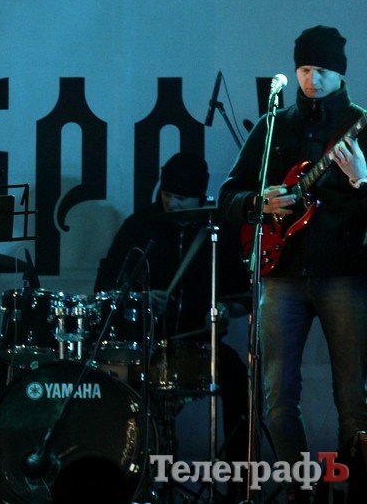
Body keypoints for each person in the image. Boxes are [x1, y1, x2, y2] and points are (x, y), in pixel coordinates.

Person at [219, 25, 367, 503]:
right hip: (280, 275)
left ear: (340, 74)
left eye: (321, 70)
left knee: (354, 400)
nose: (311, 80)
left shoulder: (360, 124)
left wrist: (362, 180)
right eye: (304, 69)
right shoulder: (273, 127)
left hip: (344, 273)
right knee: (277, 398)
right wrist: (255, 203)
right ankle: (301, 490)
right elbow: (227, 195)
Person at [95, 152, 250, 478]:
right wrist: (141, 298)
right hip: (144, 344)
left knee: (237, 375)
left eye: (181, 198)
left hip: (200, 345)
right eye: (167, 195)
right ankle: (128, 474)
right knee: (112, 385)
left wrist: (224, 309)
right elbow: (105, 287)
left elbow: (244, 295)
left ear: (199, 197)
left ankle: (240, 479)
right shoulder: (139, 227)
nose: (172, 204)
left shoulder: (217, 231)